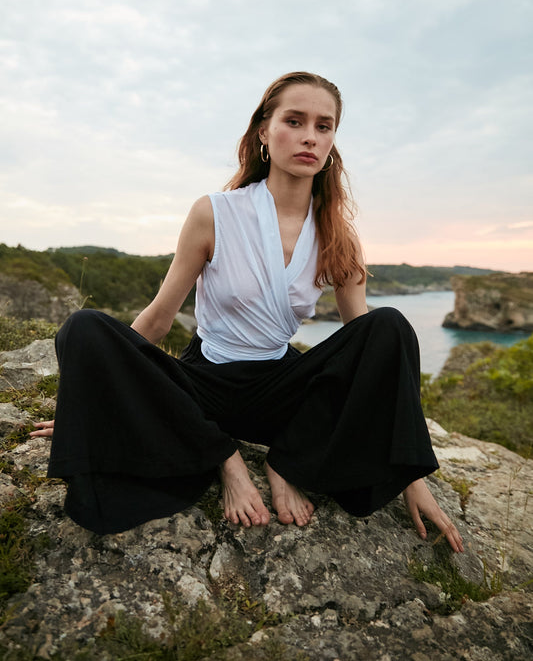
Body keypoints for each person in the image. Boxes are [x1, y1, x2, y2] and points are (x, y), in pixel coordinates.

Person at [31, 71, 463, 552]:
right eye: (294, 121)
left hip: (281, 396)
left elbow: (370, 352)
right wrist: (89, 401)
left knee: (390, 326)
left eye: (323, 126)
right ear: (264, 131)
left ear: (332, 141)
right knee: (84, 327)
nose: (309, 136)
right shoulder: (214, 213)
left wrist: (410, 474)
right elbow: (156, 319)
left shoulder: (338, 234)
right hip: (202, 386)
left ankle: (285, 462)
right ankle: (226, 458)